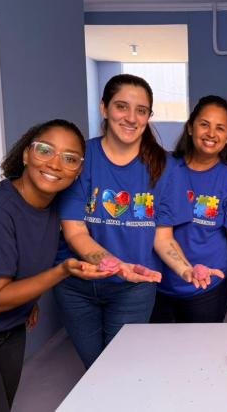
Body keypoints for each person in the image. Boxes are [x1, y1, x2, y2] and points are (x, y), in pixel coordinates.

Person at [0, 119, 115, 412]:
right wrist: (62, 271)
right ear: (26, 154)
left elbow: (26, 261)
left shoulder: (51, 208)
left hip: (10, 328)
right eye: (45, 150)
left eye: (70, 158)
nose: (55, 164)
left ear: (78, 171)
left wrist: (27, 300)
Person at [54, 74, 169, 368]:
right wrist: (117, 266)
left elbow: (163, 235)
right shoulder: (81, 157)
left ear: (148, 116)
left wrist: (185, 268)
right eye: (121, 106)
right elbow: (74, 232)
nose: (131, 117)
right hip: (77, 283)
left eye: (141, 110)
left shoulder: (163, 165)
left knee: (119, 368)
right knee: (94, 368)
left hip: (134, 287)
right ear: (104, 108)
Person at [151, 95, 227, 323]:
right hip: (157, 283)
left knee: (201, 345)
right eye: (204, 124)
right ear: (190, 128)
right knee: (154, 345)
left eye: (220, 128)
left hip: (207, 288)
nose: (211, 133)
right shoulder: (163, 167)